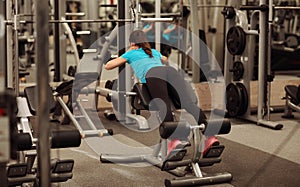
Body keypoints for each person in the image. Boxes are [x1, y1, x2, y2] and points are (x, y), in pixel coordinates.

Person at [104, 30, 218, 155]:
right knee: (188, 104)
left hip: (154, 75)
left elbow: (108, 66)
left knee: (164, 106)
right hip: (170, 72)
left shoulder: (131, 53)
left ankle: (174, 140)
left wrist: (128, 53)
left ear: (131, 43)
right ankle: (210, 137)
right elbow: (165, 59)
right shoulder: (153, 52)